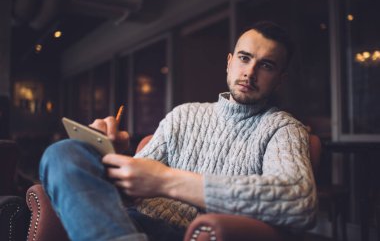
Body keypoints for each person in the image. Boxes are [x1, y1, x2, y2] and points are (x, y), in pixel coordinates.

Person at [40, 21, 317, 241]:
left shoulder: (283, 128)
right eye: (244, 58)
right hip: (130, 224)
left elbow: (299, 200)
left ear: (280, 80)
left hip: (190, 234)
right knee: (64, 152)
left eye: (266, 65)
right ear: (229, 62)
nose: (250, 72)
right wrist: (109, 156)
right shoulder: (184, 115)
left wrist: (166, 181)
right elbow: (128, 189)